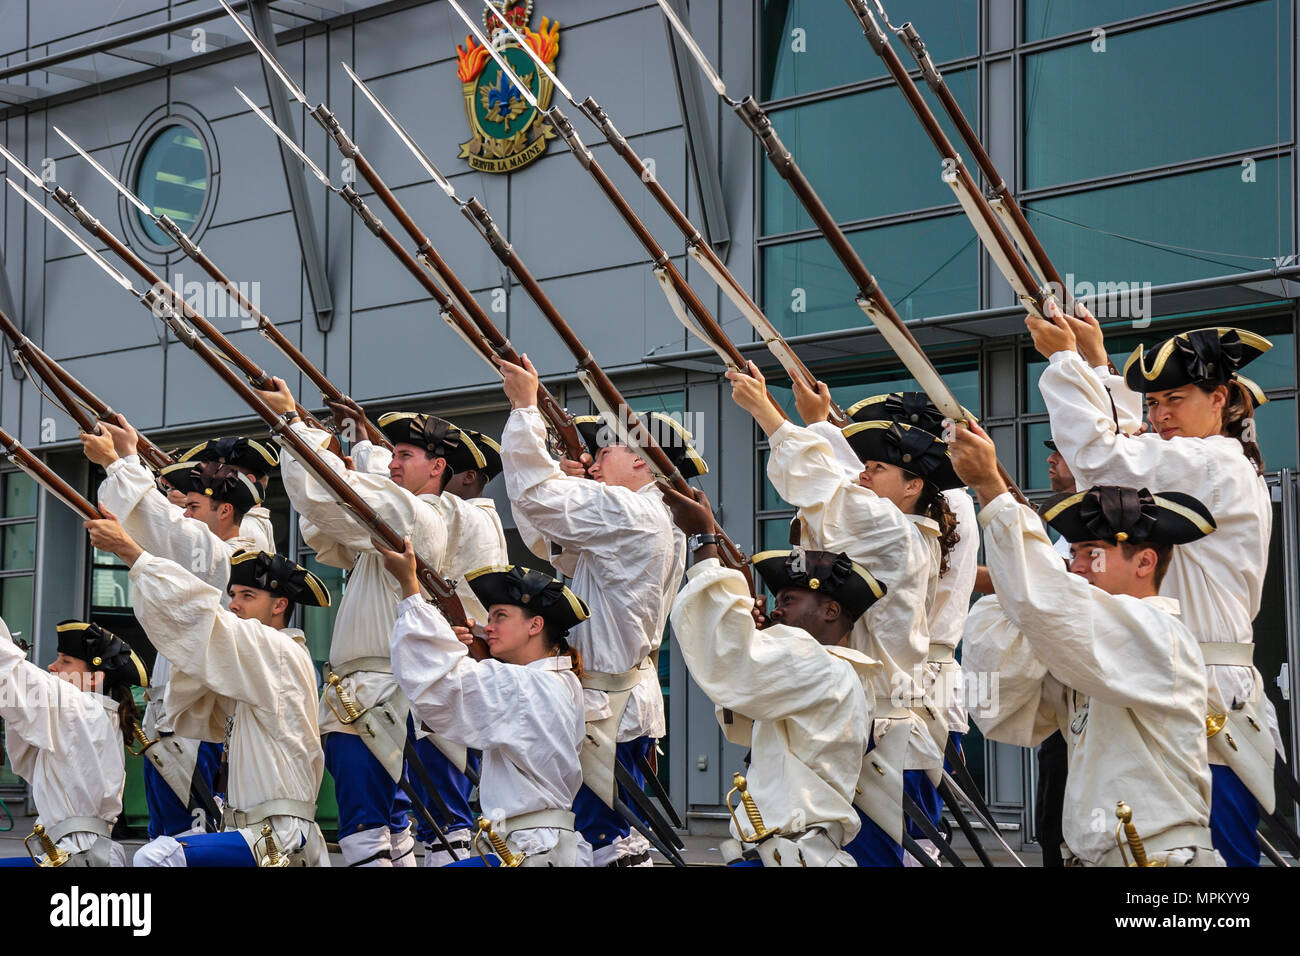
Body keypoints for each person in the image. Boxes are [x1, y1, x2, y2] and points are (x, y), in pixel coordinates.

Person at [1033, 304, 1276, 866]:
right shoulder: (1204, 460)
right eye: (1154, 402)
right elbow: (1125, 450)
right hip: (1172, 683)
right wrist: (1095, 362)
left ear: (1218, 401)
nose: (1161, 414)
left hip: (1206, 694)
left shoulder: (1213, 464)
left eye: (1176, 399)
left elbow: (1100, 462)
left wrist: (1065, 361)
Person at [953, 421, 1221, 866]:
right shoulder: (1096, 637)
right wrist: (1018, 591)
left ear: (1145, 561)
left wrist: (991, 489)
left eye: (1091, 551)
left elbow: (1047, 605)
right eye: (1073, 552)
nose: (1075, 566)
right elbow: (1001, 704)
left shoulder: (1158, 636)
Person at [727, 362, 956, 866]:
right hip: (854, 731)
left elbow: (826, 490)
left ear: (912, 486)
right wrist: (819, 425)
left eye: (877, 469)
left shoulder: (894, 534)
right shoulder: (893, 529)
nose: (863, 474)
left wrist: (769, 412)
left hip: (878, 741)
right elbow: (836, 491)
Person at [256, 378, 462, 867]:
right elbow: (325, 524)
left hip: (380, 695)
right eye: (392, 454)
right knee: (388, 830)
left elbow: (337, 497)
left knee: (368, 831)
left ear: (437, 468)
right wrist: (325, 442)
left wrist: (291, 423)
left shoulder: (419, 517)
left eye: (405, 455)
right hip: (368, 696)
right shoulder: (393, 518)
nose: (393, 462)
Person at [496, 354, 692, 867]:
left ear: (644, 462)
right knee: (609, 841)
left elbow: (537, 499)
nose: (599, 454)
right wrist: (566, 480)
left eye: (611, 447)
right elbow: (552, 536)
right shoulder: (652, 514)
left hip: (607, 707)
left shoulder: (633, 511)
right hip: (621, 703)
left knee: (602, 843)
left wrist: (524, 410)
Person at [86, 510, 331, 867]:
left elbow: (202, 620)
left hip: (276, 838)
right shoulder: (261, 661)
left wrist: (130, 551)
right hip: (256, 834)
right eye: (232, 593)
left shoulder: (279, 653)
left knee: (159, 857)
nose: (233, 603)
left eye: (248, 595)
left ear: (280, 605)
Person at [665, 482, 881, 866]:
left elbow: (728, 664)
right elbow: (742, 710)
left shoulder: (818, 665)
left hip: (786, 854)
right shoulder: (835, 670)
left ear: (831, 611)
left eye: (789, 601)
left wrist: (704, 542)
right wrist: (755, 637)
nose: (777, 611)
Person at [328, 404, 507, 866]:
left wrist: (358, 445)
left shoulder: (464, 520)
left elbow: (389, 510)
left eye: (404, 454)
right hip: (413, 688)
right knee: (408, 828)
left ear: (453, 474)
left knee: (444, 830)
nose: (393, 464)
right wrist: (359, 441)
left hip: (431, 684)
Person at [83, 417, 261, 839]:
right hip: (173, 722)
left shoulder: (235, 558)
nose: (185, 515)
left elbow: (169, 532)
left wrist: (121, 460)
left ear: (226, 509)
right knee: (163, 843)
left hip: (198, 727)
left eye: (194, 507)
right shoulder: (210, 556)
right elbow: (170, 535)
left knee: (187, 844)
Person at [382, 540, 590, 866]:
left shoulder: (527, 686)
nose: (488, 626)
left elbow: (443, 687)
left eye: (500, 616)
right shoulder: (559, 683)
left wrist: (410, 588)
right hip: (539, 848)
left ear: (536, 625)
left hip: (527, 850)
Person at [0, 618, 146, 867]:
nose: (52, 666)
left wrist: (10, 650)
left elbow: (9, 671)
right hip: (78, 853)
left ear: (93, 678)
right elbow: (26, 758)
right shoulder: (88, 714)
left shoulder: (84, 711)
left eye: (65, 661)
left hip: (79, 856)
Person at [176, 435, 281, 551]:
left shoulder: (244, 527)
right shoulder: (254, 524)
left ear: (248, 481)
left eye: (221, 476)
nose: (211, 482)